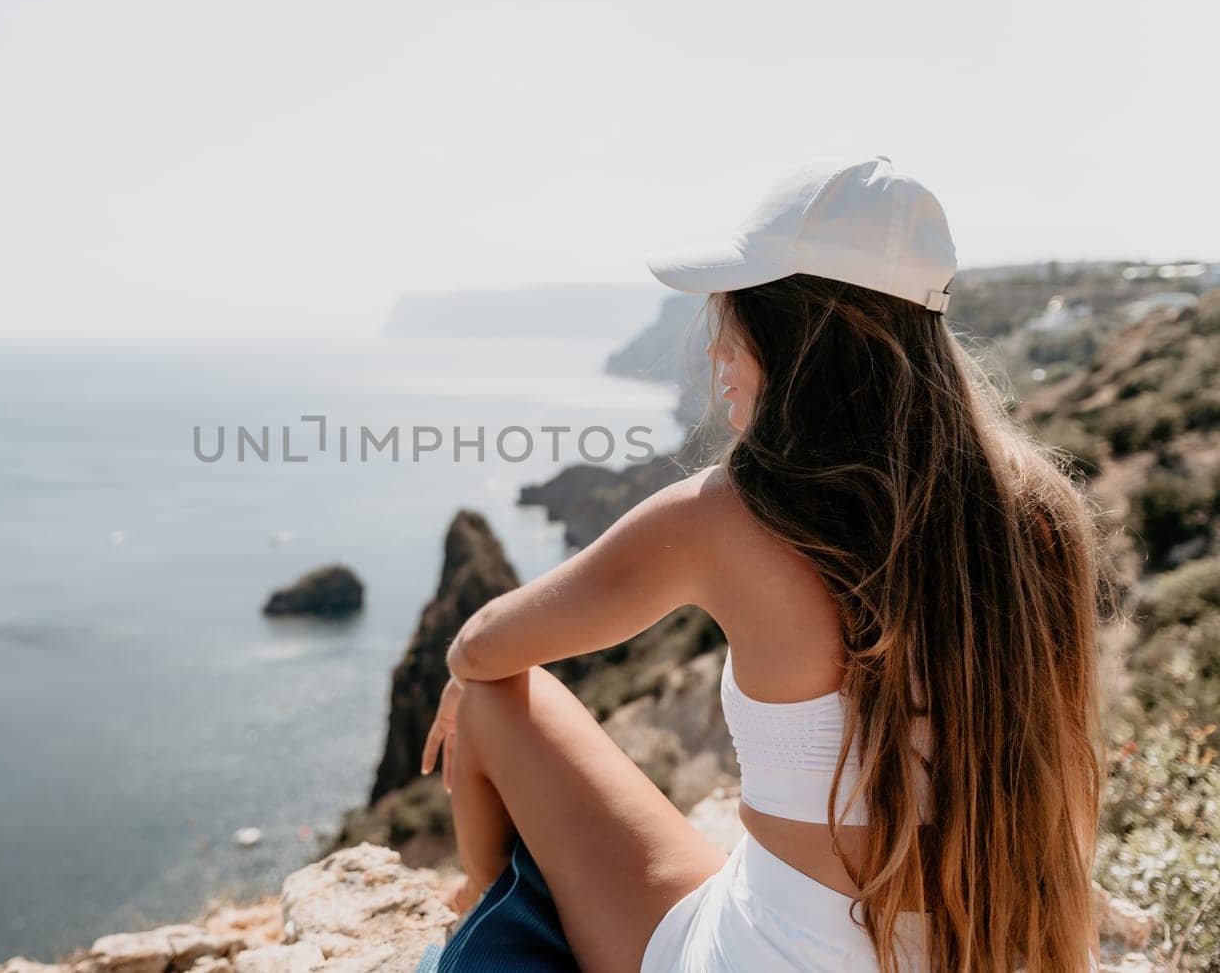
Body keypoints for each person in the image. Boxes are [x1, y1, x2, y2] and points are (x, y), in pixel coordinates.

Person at [417, 156, 1115, 972]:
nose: (717, 343)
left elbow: (484, 643)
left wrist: (466, 675)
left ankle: (476, 908)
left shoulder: (728, 516)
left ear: (793, 330)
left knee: (495, 694)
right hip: (993, 950)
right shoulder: (1041, 511)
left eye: (735, 310)